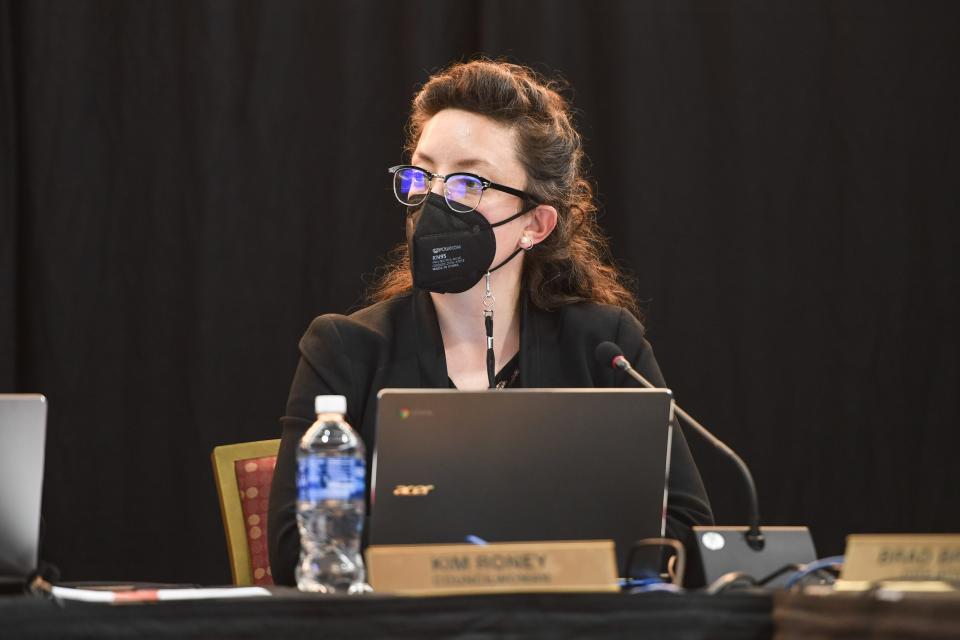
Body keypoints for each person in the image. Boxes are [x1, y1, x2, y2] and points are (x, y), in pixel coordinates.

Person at [268, 59, 713, 587]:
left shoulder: (606, 346)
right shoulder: (345, 349)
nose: (434, 201)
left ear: (535, 223)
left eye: (467, 183)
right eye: (424, 174)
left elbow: (689, 533)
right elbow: (296, 550)